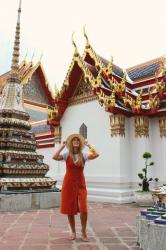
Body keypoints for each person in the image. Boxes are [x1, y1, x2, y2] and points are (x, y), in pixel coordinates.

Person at [53, 133, 99, 241]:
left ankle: (83, 231)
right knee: (70, 209)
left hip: (80, 184)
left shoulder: (84, 155)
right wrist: (62, 146)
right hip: (68, 183)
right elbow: (54, 157)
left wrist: (89, 145)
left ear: (80, 143)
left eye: (78, 140)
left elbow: (96, 154)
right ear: (71, 143)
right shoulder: (66, 154)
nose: (76, 142)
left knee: (84, 209)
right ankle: (73, 232)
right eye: (74, 140)